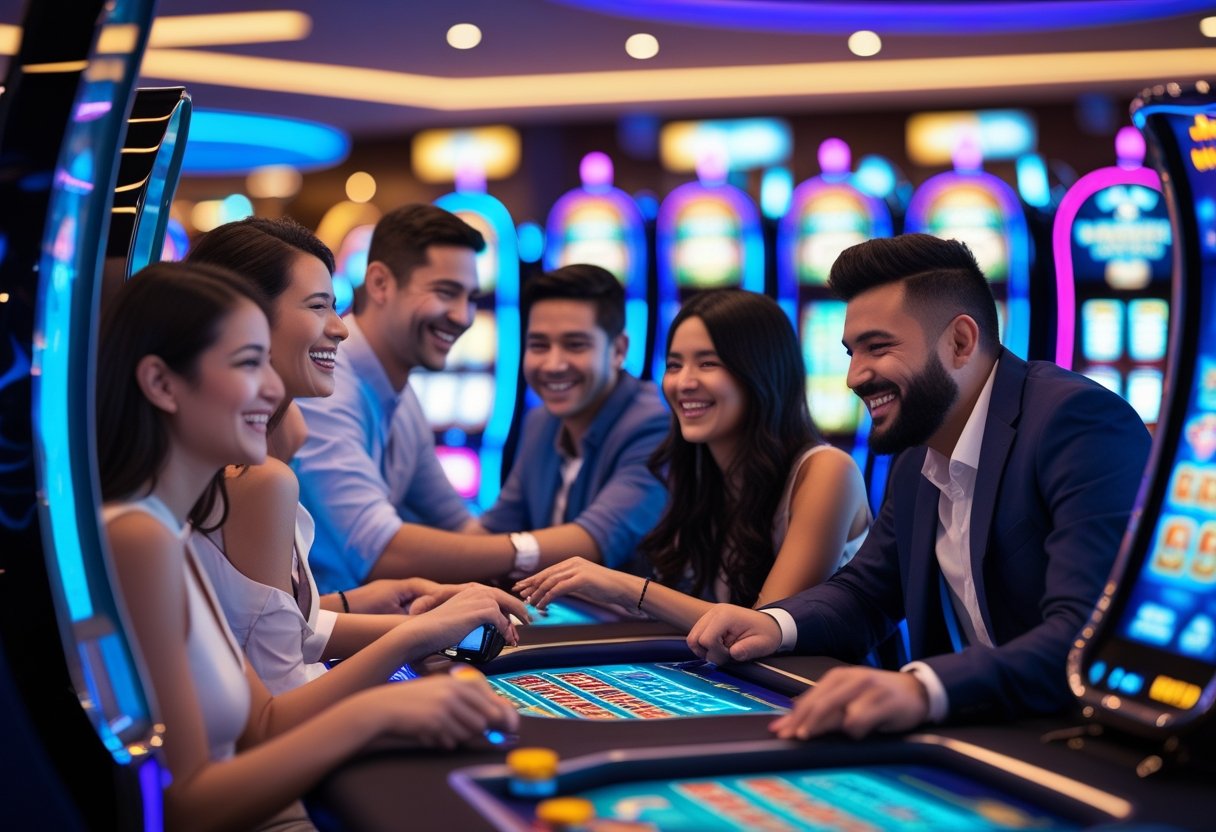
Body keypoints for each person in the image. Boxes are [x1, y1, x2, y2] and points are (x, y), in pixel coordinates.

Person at [97, 262, 517, 832]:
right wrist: (378, 711)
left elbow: (260, 722)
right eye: (248, 363)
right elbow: (182, 808)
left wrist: (401, 647)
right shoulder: (137, 535)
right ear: (162, 383)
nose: (273, 389)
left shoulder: (170, 527)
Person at [686, 234, 1152, 738]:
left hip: (1090, 740)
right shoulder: (918, 452)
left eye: (878, 347)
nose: (853, 376)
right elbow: (867, 594)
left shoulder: (1075, 422)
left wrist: (923, 687)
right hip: (986, 731)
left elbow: (1088, 633)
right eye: (850, 351)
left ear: (959, 342)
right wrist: (775, 625)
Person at [186, 217, 526, 695]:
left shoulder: (291, 436)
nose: (340, 329)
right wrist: (415, 640)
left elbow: (280, 631)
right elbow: (277, 707)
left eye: (336, 306)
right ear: (247, 320)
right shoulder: (262, 473)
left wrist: (382, 608)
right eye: (319, 306)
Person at [294, 206, 663, 592]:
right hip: (321, 636)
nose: (464, 316)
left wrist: (509, 558)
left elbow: (463, 529)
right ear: (380, 283)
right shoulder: (326, 388)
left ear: (620, 349)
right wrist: (520, 553)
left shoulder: (401, 397)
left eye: (471, 297)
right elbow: (380, 553)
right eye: (446, 293)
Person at [516, 289, 871, 630]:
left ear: (761, 372)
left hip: (823, 686)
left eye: (708, 363)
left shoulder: (826, 472)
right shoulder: (699, 472)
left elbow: (762, 628)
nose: (683, 382)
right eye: (674, 364)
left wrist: (625, 588)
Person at [476, 263, 668, 576]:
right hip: (557, 619)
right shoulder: (541, 422)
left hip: (642, 624)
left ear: (618, 350)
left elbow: (594, 543)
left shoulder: (656, 424)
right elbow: (492, 530)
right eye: (539, 345)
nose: (553, 364)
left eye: (575, 345)